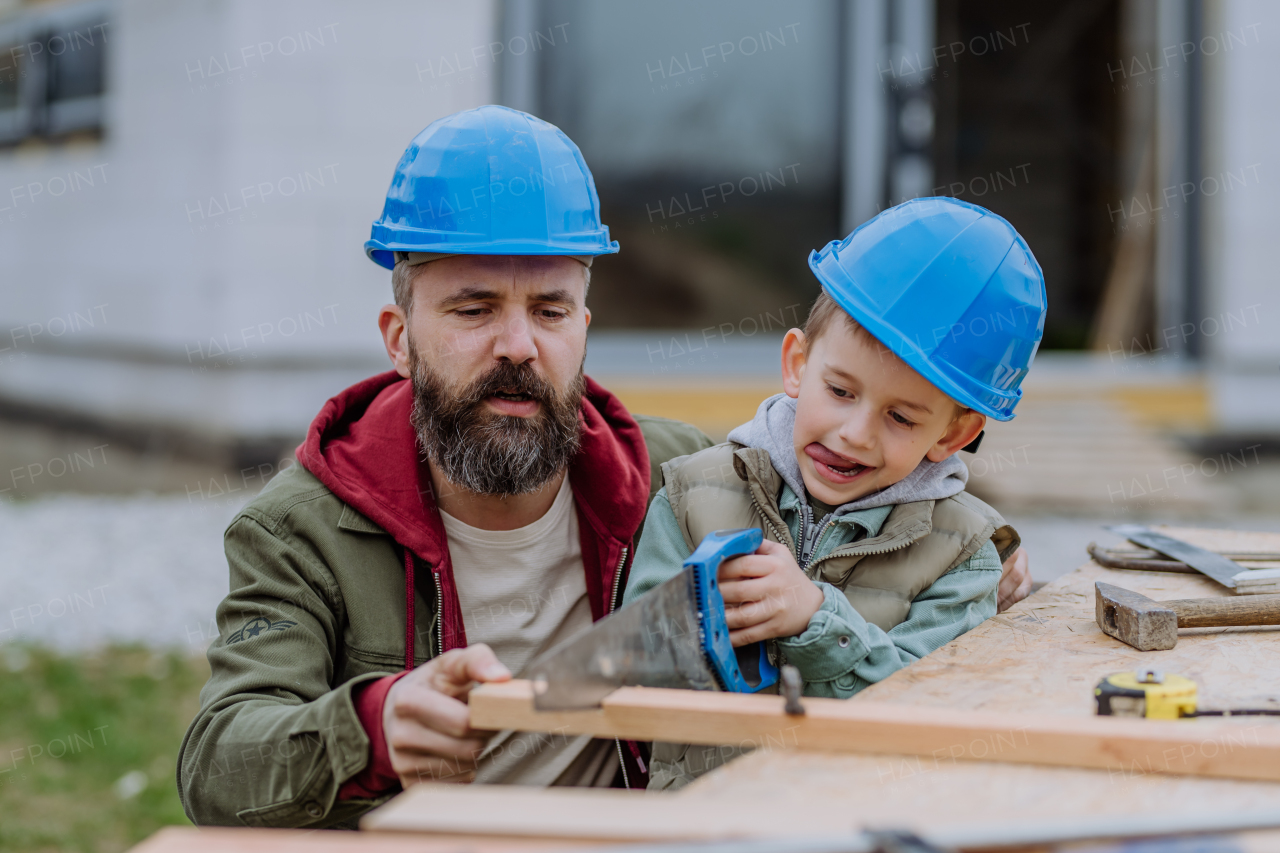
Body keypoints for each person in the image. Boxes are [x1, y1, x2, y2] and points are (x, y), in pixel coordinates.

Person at [177, 107, 1034, 828]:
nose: (519, 345)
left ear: (585, 324)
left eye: (550, 309)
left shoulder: (681, 473)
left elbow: (864, 506)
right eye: (473, 309)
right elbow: (216, 765)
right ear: (399, 339)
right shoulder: (299, 527)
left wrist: (989, 553)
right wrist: (372, 724)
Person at [623, 197, 1047, 790]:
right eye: (840, 391)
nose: (855, 433)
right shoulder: (696, 492)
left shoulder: (962, 554)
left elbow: (931, 713)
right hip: (699, 825)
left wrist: (817, 623)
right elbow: (634, 667)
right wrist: (700, 619)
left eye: (901, 418)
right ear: (797, 363)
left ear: (952, 433)